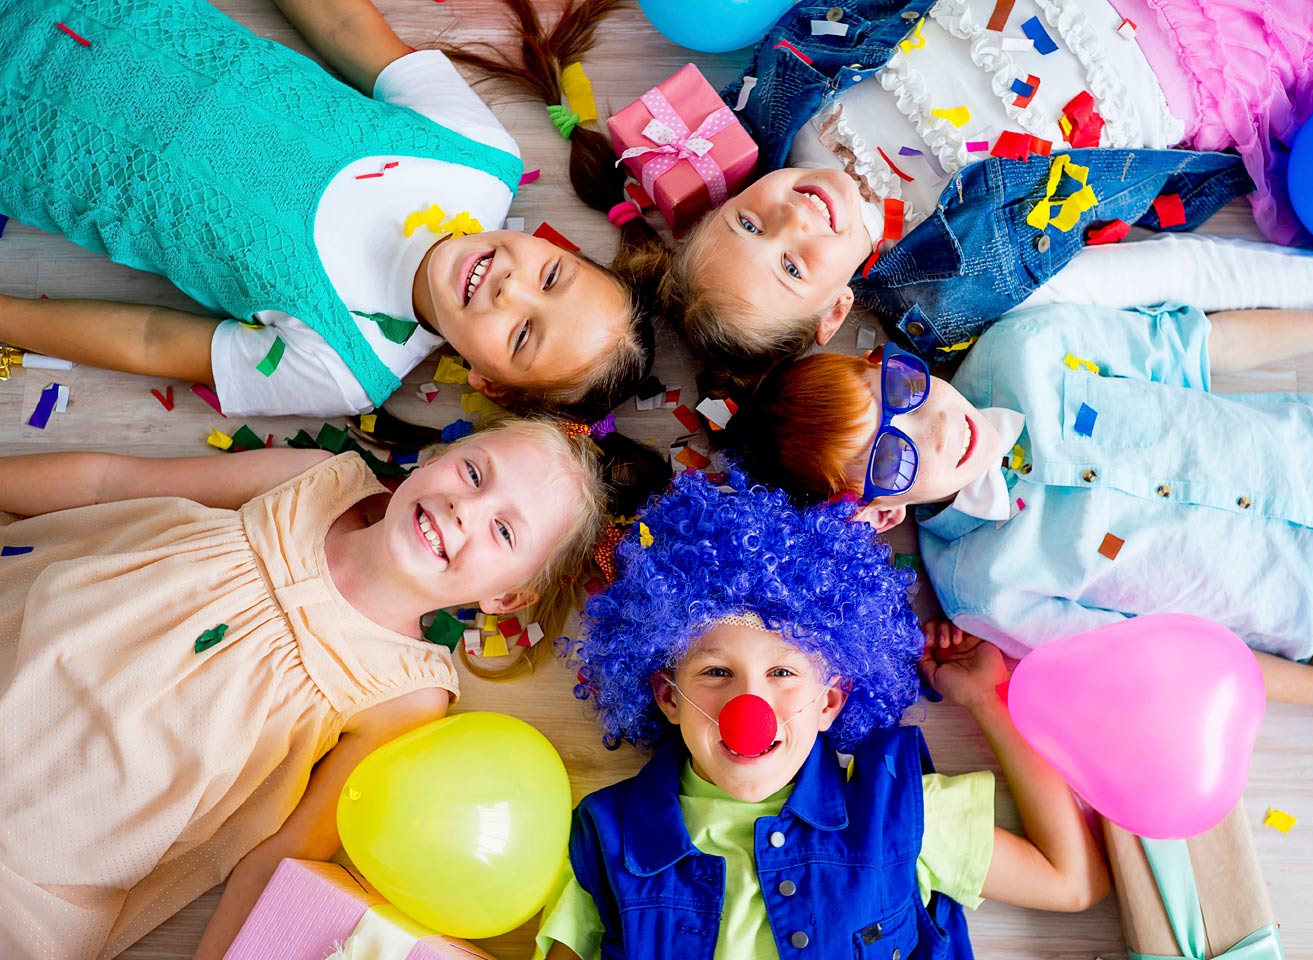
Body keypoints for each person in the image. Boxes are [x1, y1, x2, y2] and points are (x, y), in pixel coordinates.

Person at [0, 416, 654, 960]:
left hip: (80, 820)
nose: (465, 507)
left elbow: (280, 861)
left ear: (505, 595)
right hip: (38, 641)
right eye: (473, 472)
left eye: (504, 530)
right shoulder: (314, 480)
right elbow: (111, 481)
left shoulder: (410, 693)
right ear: (436, 458)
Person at [504, 0, 1313, 387]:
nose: (792, 214)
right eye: (790, 264)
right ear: (831, 315)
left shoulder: (787, 101)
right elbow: (1173, 272)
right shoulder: (950, 283)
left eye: (750, 216)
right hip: (1204, 57)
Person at [724, 288, 1313, 747]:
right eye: (892, 456)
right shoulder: (987, 589)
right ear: (879, 515)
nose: (935, 427)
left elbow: (1204, 347)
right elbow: (1183, 662)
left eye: (904, 389)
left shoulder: (1025, 350)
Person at [533, 472, 1110, 959]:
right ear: (667, 697)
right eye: (715, 673)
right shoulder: (608, 834)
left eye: (783, 674)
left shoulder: (897, 810)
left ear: (830, 701)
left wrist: (988, 699)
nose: (747, 707)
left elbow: (1074, 880)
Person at [0, 0, 656, 420]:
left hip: (23, 146)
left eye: (522, 336)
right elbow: (345, 26)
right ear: (559, 246)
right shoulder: (479, 156)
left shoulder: (346, 371)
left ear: (490, 384)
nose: (513, 289)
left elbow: (152, 340)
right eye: (551, 278)